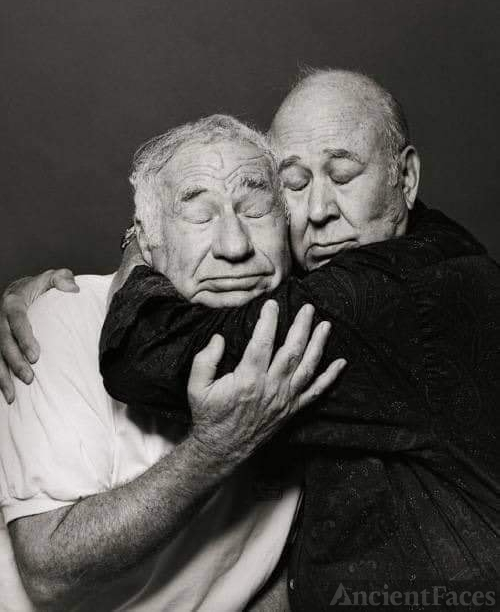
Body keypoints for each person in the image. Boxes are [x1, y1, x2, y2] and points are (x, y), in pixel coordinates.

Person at [2, 69, 500, 608]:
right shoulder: (66, 322)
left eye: (344, 174)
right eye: (294, 183)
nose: (318, 211)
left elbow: (145, 349)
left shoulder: (385, 296)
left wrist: (135, 252)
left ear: (405, 178)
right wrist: (43, 294)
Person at [0, 115, 345, 611]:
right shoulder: (61, 320)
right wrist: (217, 446)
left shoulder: (318, 340)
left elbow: (273, 571)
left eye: (254, 210)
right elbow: (50, 571)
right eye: (200, 217)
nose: (235, 246)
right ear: (146, 239)